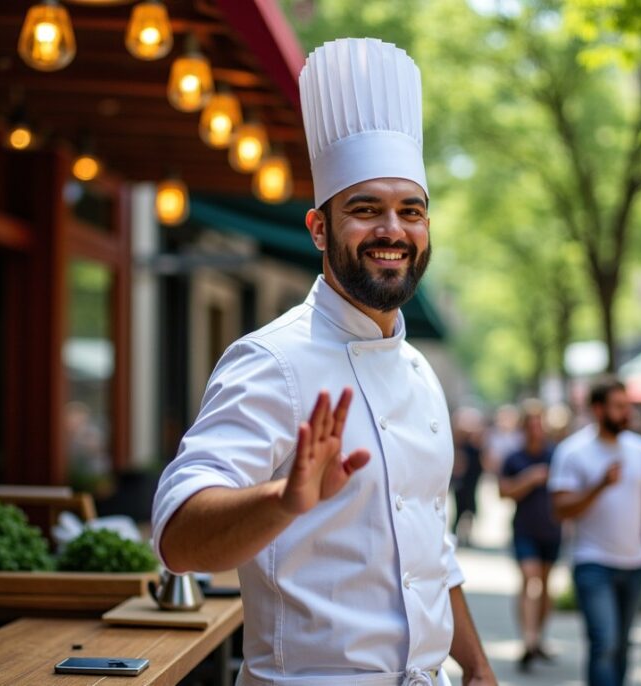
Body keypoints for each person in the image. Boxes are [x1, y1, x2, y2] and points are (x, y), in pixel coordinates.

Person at [151, 38, 495, 686]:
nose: (392, 230)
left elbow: (431, 552)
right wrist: (286, 498)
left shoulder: (421, 374)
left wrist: (475, 665)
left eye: (410, 211)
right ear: (318, 228)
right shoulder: (271, 361)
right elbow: (177, 538)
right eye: (365, 210)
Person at [550, 378, 641, 686]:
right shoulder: (573, 451)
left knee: (622, 645)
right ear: (598, 410)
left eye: (627, 406)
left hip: (634, 563)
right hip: (592, 563)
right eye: (618, 407)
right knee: (605, 642)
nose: (626, 413)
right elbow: (561, 508)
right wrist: (599, 485)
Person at [497, 402, 561, 672]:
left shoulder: (556, 454)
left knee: (546, 585)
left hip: (552, 528)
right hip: (524, 529)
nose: (535, 429)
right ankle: (528, 639)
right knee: (528, 578)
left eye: (539, 423)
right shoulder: (514, 458)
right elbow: (503, 492)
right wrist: (530, 479)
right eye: (530, 424)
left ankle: (538, 638)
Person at [451, 407, 486, 547]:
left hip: (472, 479)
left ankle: (467, 535)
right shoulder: (459, 443)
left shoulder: (475, 443)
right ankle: (455, 533)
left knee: (470, 508)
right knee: (460, 508)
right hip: (462, 482)